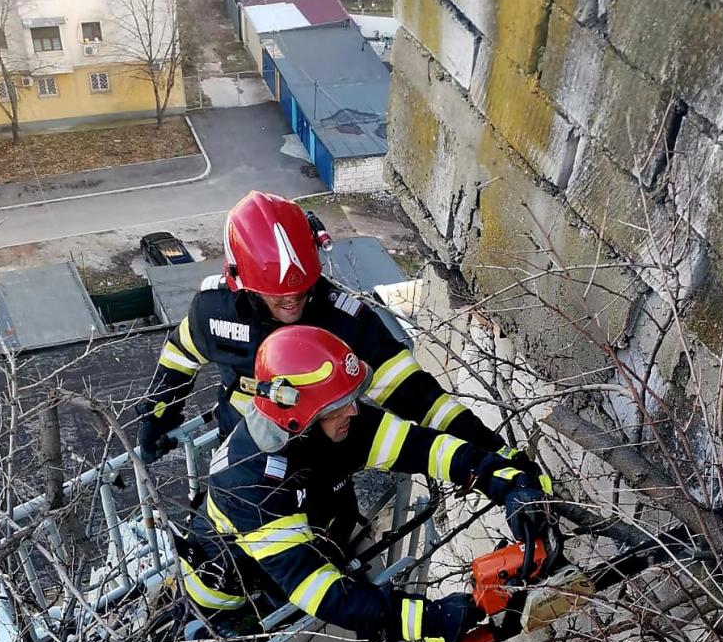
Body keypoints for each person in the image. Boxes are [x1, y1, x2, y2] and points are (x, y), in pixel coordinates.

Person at [198, 325, 552, 642]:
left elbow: (427, 448)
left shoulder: (336, 423)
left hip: (316, 538)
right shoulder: (251, 484)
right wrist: (426, 619)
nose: (354, 411)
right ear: (299, 417)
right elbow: (323, 593)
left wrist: (504, 481)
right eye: (340, 405)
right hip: (231, 584)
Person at [136, 190, 538, 467]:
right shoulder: (215, 310)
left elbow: (419, 396)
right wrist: (158, 415)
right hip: (243, 451)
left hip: (322, 464)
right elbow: (180, 355)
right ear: (243, 282)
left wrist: (494, 452)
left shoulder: (345, 322)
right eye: (278, 295)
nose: (292, 301)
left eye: (302, 289)